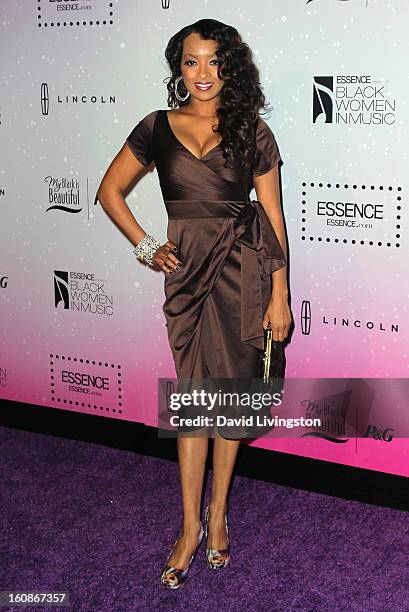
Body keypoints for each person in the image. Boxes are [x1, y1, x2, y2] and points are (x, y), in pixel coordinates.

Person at [97, 18, 292, 589]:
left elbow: (274, 218)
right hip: (185, 277)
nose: (202, 73)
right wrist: (147, 246)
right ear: (177, 68)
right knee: (193, 399)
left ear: (229, 66)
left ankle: (218, 513)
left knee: (228, 396)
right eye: (190, 61)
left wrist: (280, 293)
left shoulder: (252, 130)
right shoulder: (156, 127)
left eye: (213, 61)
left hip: (244, 271)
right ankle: (187, 527)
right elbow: (109, 192)